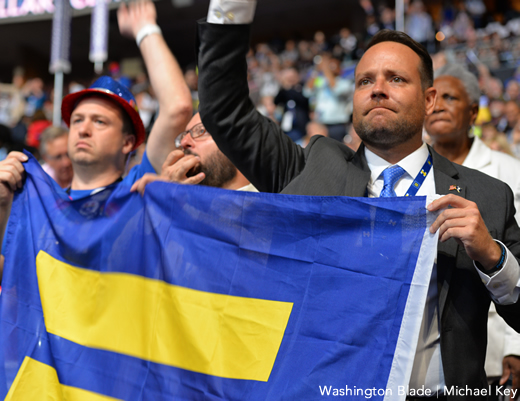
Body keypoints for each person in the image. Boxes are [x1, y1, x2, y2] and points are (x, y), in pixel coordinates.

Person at [197, 2, 520, 397]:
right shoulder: (308, 167)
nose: (377, 89)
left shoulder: (486, 196)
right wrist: (231, 7)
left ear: (430, 99)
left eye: (396, 78)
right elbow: (223, 107)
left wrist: (493, 256)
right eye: (365, 81)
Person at [0, 0, 192, 294]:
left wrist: (145, 29)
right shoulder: (38, 207)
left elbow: (177, 107)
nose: (82, 128)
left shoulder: (137, 191)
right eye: (78, 119)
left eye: (99, 122)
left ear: (128, 142)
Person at [424, 64, 520, 397]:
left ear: (474, 112)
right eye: (432, 98)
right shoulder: (414, 177)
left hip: (499, 338)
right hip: (435, 358)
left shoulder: (508, 172)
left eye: (449, 97)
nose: (437, 106)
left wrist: (517, 345)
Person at [131, 112, 256, 194]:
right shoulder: (182, 206)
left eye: (201, 130)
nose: (184, 142)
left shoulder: (272, 202)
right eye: (184, 136)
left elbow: (177, 107)